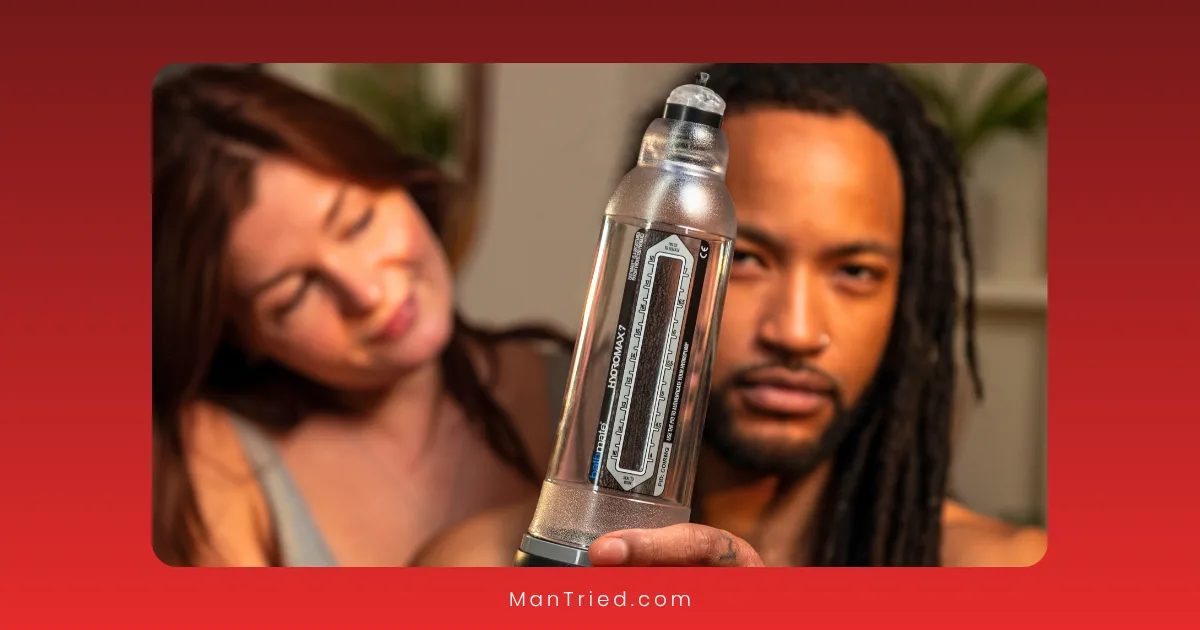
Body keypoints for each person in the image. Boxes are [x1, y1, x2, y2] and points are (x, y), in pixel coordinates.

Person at [419, 63, 1047, 567]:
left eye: (854, 272)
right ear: (652, 272)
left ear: (906, 304)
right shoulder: (483, 568)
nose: (796, 332)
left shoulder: (1009, 574)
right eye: (747, 259)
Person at [152, 65, 572, 566]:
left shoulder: (584, 388)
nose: (367, 293)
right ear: (242, 336)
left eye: (359, 222)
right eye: (293, 294)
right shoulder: (217, 461)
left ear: (396, 178)